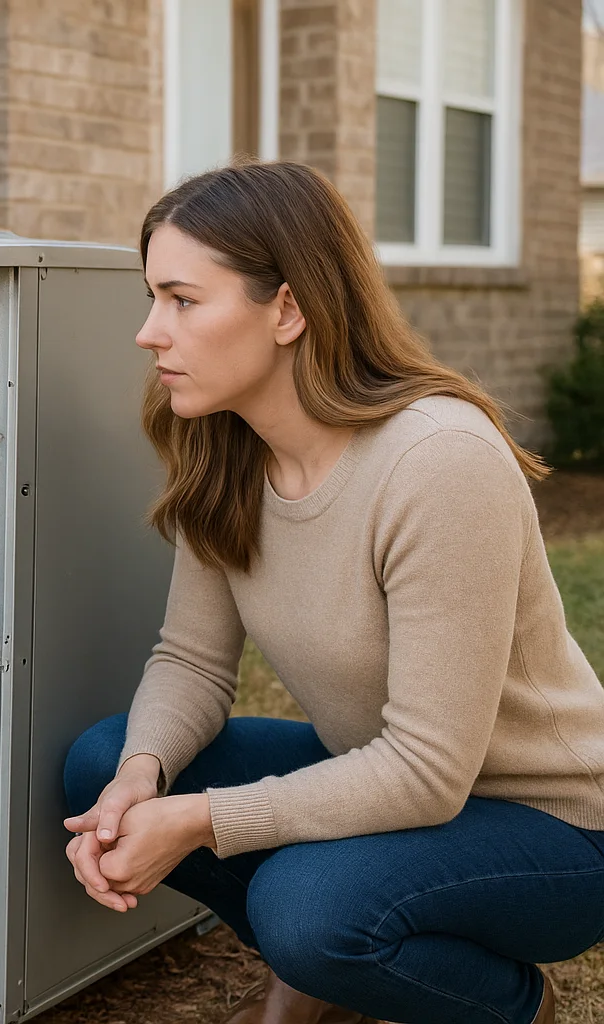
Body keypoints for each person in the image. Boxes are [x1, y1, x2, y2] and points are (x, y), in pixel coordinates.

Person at [61, 162, 604, 1024]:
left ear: (286, 308)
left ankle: (506, 1005)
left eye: (182, 300)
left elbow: (429, 772)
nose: (148, 332)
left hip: (549, 827)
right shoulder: (227, 448)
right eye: (151, 297)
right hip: (390, 780)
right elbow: (192, 661)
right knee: (100, 762)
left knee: (307, 909)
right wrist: (142, 776)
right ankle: (322, 978)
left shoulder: (438, 462)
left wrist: (201, 819)